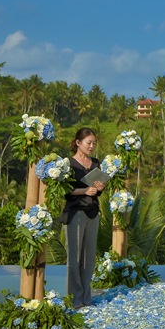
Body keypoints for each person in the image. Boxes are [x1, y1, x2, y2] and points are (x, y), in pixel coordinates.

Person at [61, 128, 104, 308]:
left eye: (94, 143)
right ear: (78, 143)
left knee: (89, 258)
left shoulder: (95, 163)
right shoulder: (68, 164)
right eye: (89, 143)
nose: (92, 146)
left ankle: (87, 297)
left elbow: (98, 190)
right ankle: (74, 299)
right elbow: (65, 190)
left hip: (92, 212)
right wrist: (84, 190)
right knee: (74, 257)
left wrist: (99, 187)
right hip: (75, 212)